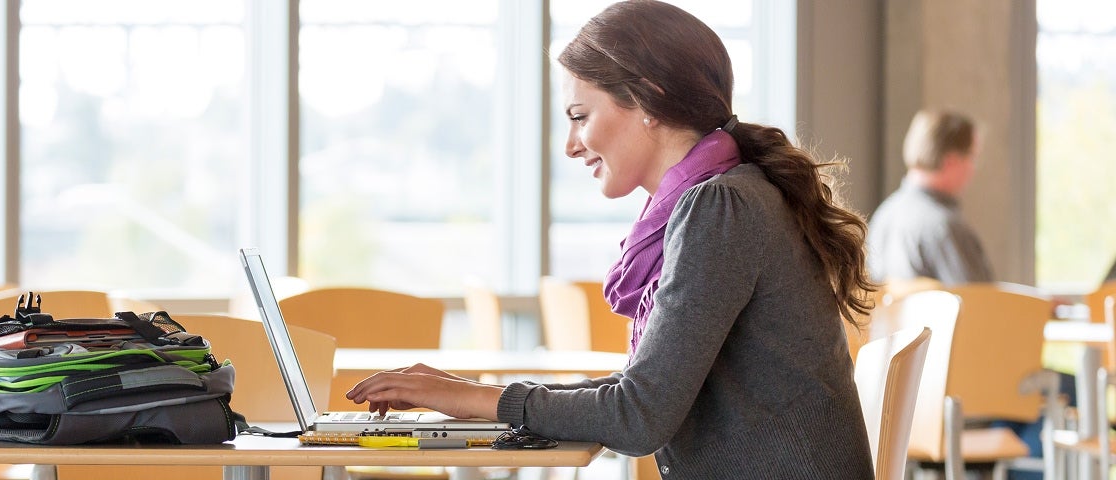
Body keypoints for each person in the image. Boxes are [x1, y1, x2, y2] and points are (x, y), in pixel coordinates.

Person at [345, 1, 877, 477]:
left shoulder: (721, 209)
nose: (572, 146)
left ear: (651, 99)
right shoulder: (729, 198)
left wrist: (476, 397)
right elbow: (639, 394)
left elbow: (639, 417)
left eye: (581, 117)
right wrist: (468, 395)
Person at [866, 109, 993, 285]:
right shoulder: (944, 227)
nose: (974, 168)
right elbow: (981, 305)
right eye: (972, 156)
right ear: (952, 160)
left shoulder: (883, 215)